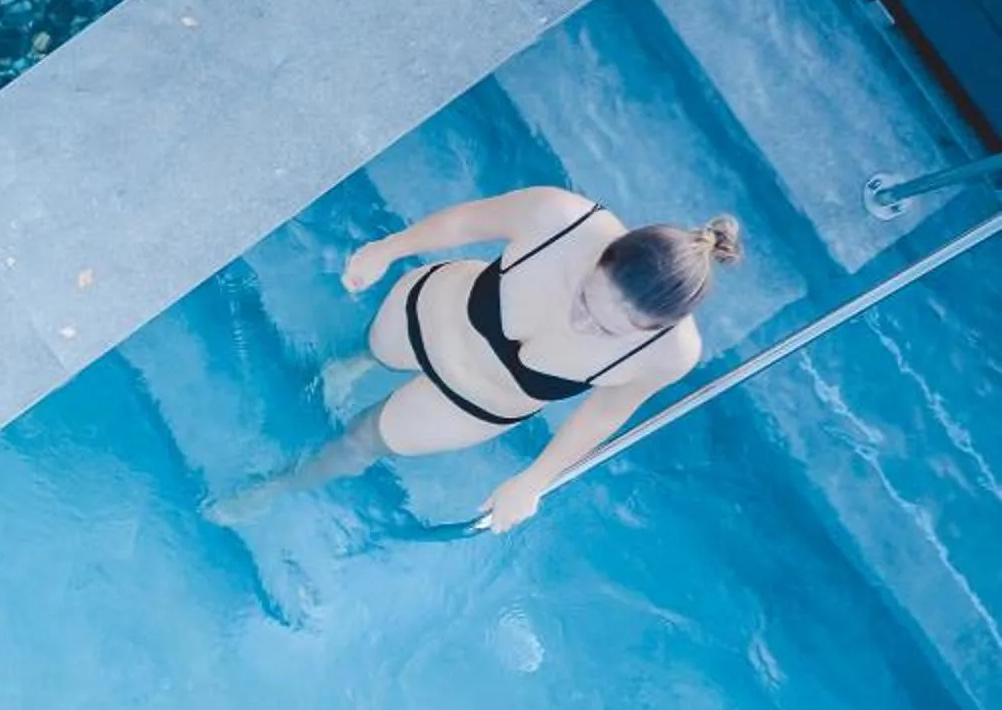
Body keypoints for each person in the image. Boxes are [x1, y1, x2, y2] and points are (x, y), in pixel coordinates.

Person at [213, 189, 743, 533]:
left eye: (608, 330)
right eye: (586, 298)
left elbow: (604, 413)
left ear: (655, 329)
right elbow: (463, 223)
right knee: (371, 353)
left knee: (360, 444)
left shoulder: (671, 354)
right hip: (429, 316)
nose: (584, 323)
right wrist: (389, 249)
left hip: (474, 404)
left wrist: (533, 480)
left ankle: (277, 486)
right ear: (606, 253)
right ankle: (355, 366)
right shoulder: (559, 218)